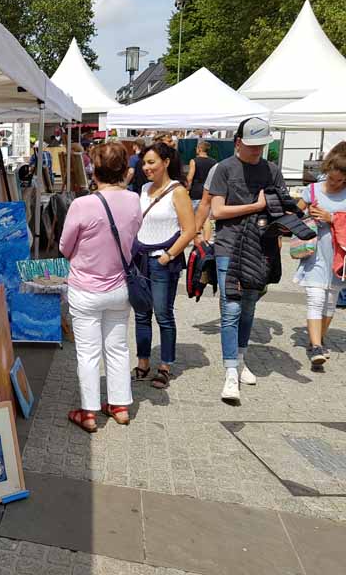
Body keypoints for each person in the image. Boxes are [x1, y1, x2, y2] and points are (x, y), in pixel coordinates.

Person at [60, 142, 142, 433]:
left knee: (88, 352)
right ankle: (120, 406)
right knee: (118, 347)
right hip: (119, 286)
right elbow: (134, 236)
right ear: (124, 169)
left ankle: (89, 412)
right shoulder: (134, 200)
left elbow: (65, 246)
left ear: (94, 171)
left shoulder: (83, 204)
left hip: (85, 287)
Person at [209, 117, 283, 404]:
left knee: (249, 307)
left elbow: (280, 209)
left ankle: (240, 360)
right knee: (231, 308)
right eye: (252, 145)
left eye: (261, 146)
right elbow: (217, 211)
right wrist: (256, 206)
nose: (257, 151)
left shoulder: (272, 170)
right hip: (229, 246)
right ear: (238, 142)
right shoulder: (224, 168)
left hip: (260, 248)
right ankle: (230, 371)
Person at [132, 142, 196, 389]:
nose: (146, 168)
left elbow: (189, 230)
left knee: (163, 314)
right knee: (141, 314)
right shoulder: (144, 188)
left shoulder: (177, 191)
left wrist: (168, 256)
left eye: (152, 162)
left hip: (162, 262)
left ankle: (165, 365)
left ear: (166, 162)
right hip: (140, 260)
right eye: (144, 163)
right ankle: (143, 362)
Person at [294, 144, 346, 366]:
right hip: (314, 255)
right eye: (332, 178)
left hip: (339, 258)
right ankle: (316, 346)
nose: (334, 183)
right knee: (315, 299)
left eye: (340, 181)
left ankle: (319, 339)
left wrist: (331, 218)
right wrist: (307, 215)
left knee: (330, 302)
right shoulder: (313, 190)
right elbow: (294, 216)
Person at [187, 141, 217, 212]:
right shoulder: (214, 162)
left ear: (199, 149)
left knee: (194, 215)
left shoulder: (194, 161)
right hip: (209, 192)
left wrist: (186, 189)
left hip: (196, 192)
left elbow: (190, 178)